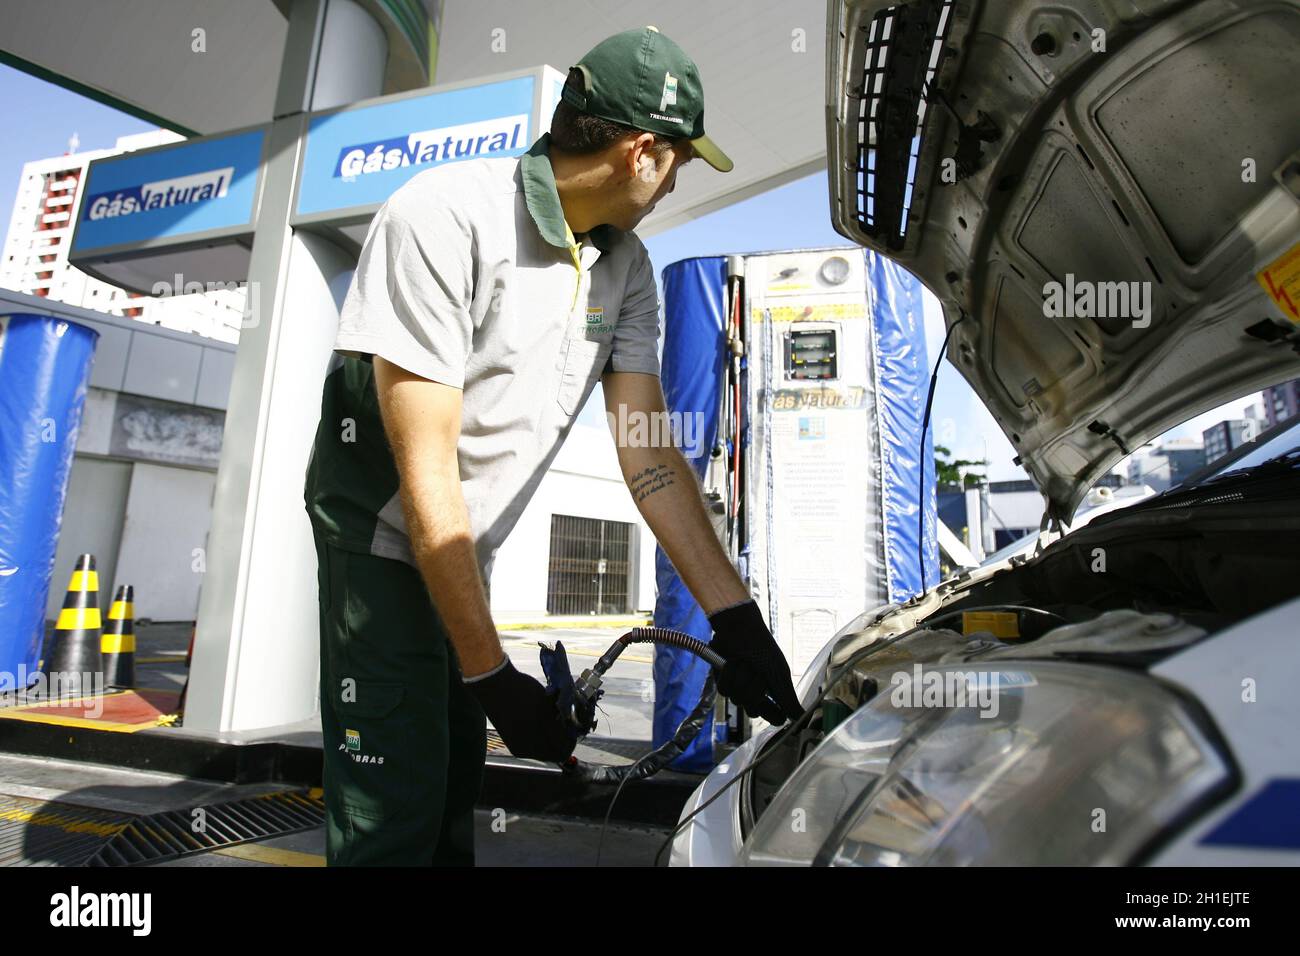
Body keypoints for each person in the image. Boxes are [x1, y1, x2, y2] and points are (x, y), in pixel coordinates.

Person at [303, 26, 801, 866]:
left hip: (463, 546)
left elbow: (649, 456)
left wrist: (735, 618)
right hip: (384, 537)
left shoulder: (627, 269)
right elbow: (426, 472)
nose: (677, 179)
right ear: (643, 151)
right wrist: (494, 675)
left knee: (453, 785)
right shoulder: (444, 215)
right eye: (680, 159)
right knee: (394, 802)